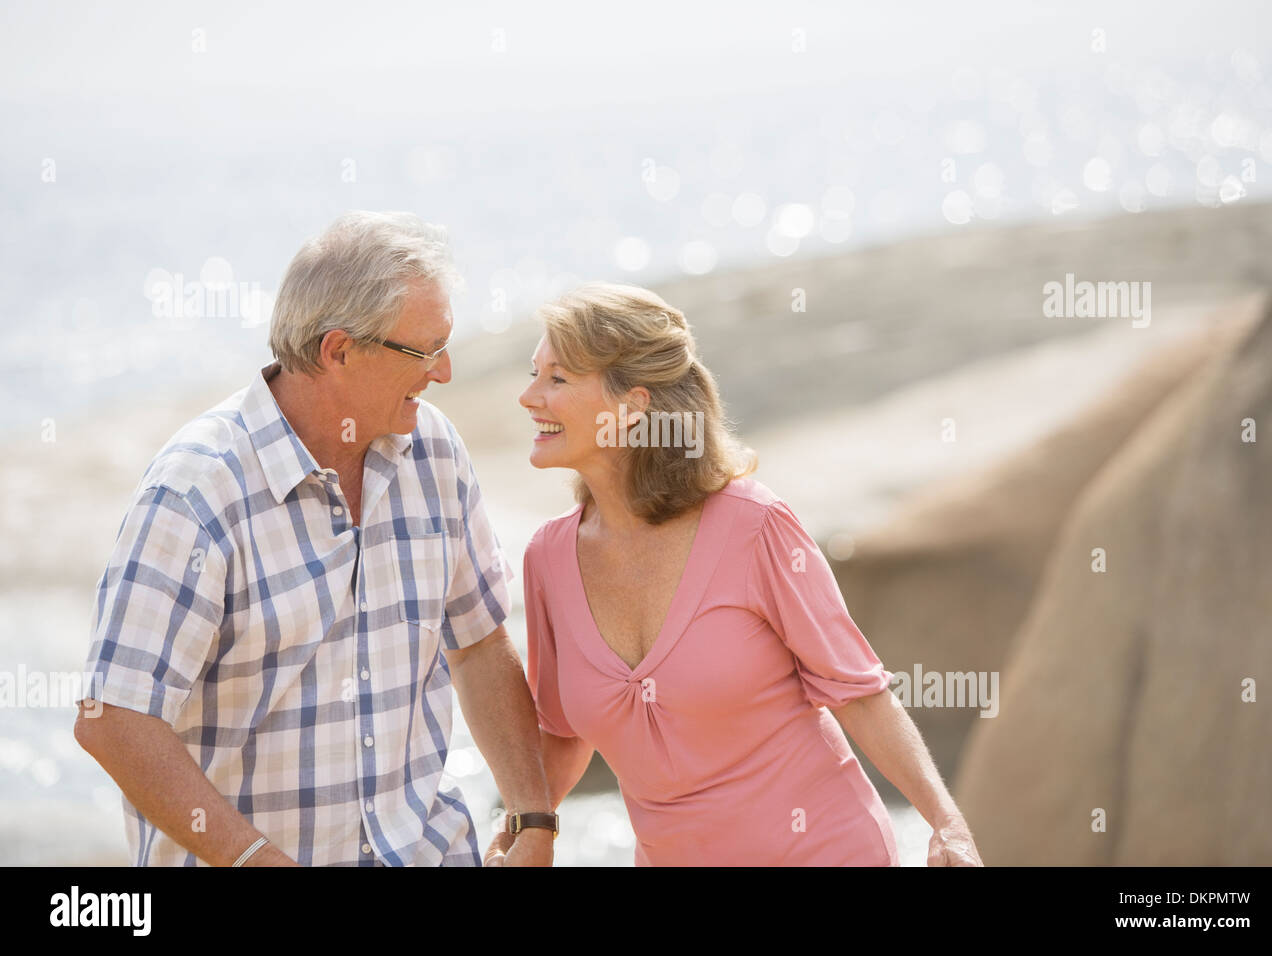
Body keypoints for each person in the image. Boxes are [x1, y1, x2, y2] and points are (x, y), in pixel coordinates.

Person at [74, 211, 556, 866]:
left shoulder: (434, 450)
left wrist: (533, 816)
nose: (444, 371)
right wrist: (253, 860)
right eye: (424, 350)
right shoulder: (197, 493)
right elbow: (114, 718)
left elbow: (476, 643)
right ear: (338, 350)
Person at [502, 281, 982, 866]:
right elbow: (562, 732)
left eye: (557, 379)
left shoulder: (754, 527)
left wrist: (946, 822)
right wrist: (527, 829)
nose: (529, 396)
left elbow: (858, 690)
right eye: (534, 373)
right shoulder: (548, 559)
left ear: (633, 404)